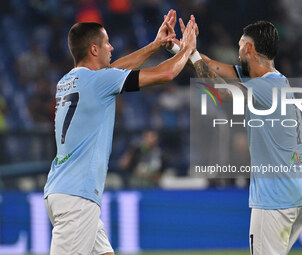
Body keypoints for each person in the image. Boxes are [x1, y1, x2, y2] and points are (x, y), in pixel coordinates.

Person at [44, 10, 196, 255]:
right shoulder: (99, 82)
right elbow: (165, 74)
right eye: (106, 43)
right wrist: (187, 49)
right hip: (77, 198)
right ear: (94, 50)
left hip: (64, 189)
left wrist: (155, 45)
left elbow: (113, 71)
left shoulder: (68, 81)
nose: (112, 47)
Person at [168, 17, 302, 254]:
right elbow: (208, 65)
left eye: (239, 46)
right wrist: (179, 48)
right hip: (301, 193)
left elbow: (217, 92)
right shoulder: (270, 80)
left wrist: (192, 54)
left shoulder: (266, 88)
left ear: (248, 48)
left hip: (276, 198)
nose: (236, 54)